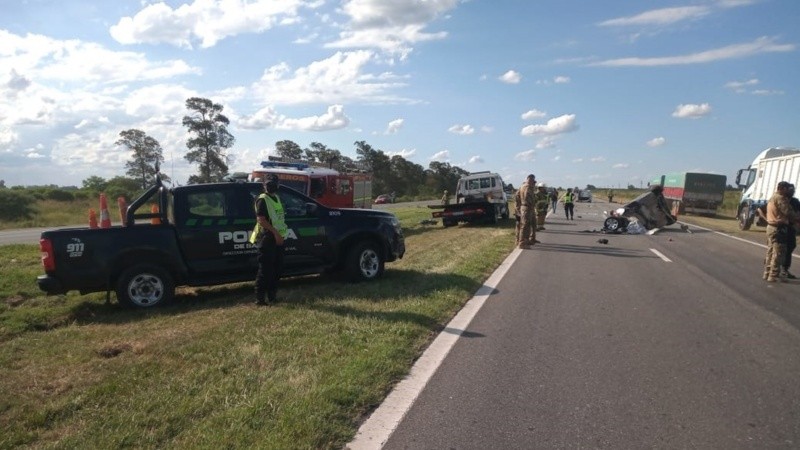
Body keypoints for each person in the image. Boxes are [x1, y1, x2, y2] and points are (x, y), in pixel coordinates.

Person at [249, 175, 288, 305]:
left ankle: (272, 296)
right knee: (265, 270)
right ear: (264, 185)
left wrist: (280, 235)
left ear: (278, 185)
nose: (271, 186)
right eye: (269, 184)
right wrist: (276, 234)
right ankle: (260, 299)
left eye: (274, 184)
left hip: (278, 237)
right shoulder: (262, 199)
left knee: (277, 269)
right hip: (267, 238)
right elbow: (261, 220)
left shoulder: (276, 198)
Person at [764, 181, 794, 282]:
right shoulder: (781, 199)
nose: (790, 191)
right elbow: (788, 212)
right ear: (783, 189)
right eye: (788, 189)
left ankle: (767, 273)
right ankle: (773, 275)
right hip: (778, 228)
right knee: (778, 253)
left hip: (771, 227)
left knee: (770, 252)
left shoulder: (772, 197)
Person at [514, 174, 537, 249]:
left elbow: (517, 196)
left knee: (527, 224)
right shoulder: (527, 187)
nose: (534, 182)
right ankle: (522, 243)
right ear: (530, 180)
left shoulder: (522, 186)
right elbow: (528, 198)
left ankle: (525, 240)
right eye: (533, 181)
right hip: (527, 207)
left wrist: (518, 206)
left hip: (525, 207)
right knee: (525, 225)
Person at [782, 184, 800, 278]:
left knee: (790, 246)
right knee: (779, 248)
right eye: (790, 190)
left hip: (791, 227)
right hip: (781, 227)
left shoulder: (795, 201)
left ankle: (784, 269)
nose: (792, 192)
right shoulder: (781, 200)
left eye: (793, 190)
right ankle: (774, 268)